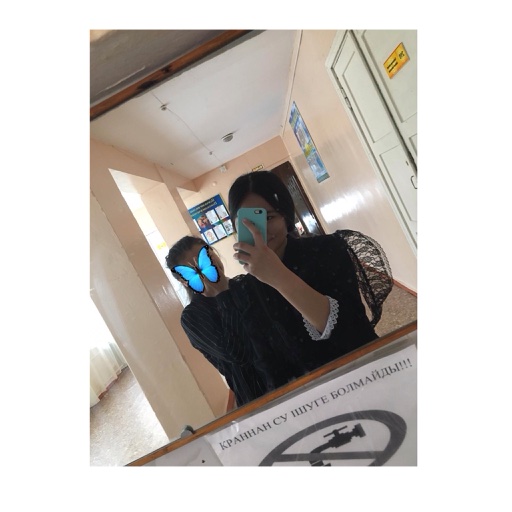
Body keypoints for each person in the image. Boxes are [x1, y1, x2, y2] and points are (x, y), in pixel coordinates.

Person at [225, 170, 393, 392]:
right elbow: (266, 364)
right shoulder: (243, 289)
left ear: (285, 216)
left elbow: (353, 332)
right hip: (311, 399)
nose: (259, 231)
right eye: (248, 222)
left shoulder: (327, 249)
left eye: (268, 217)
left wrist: (277, 275)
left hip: (366, 374)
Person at [165, 236, 266, 407]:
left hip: (291, 373)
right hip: (257, 394)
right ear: (184, 280)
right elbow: (238, 354)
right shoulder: (192, 317)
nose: (208, 265)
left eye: (207, 256)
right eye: (194, 269)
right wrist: (221, 293)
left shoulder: (247, 284)